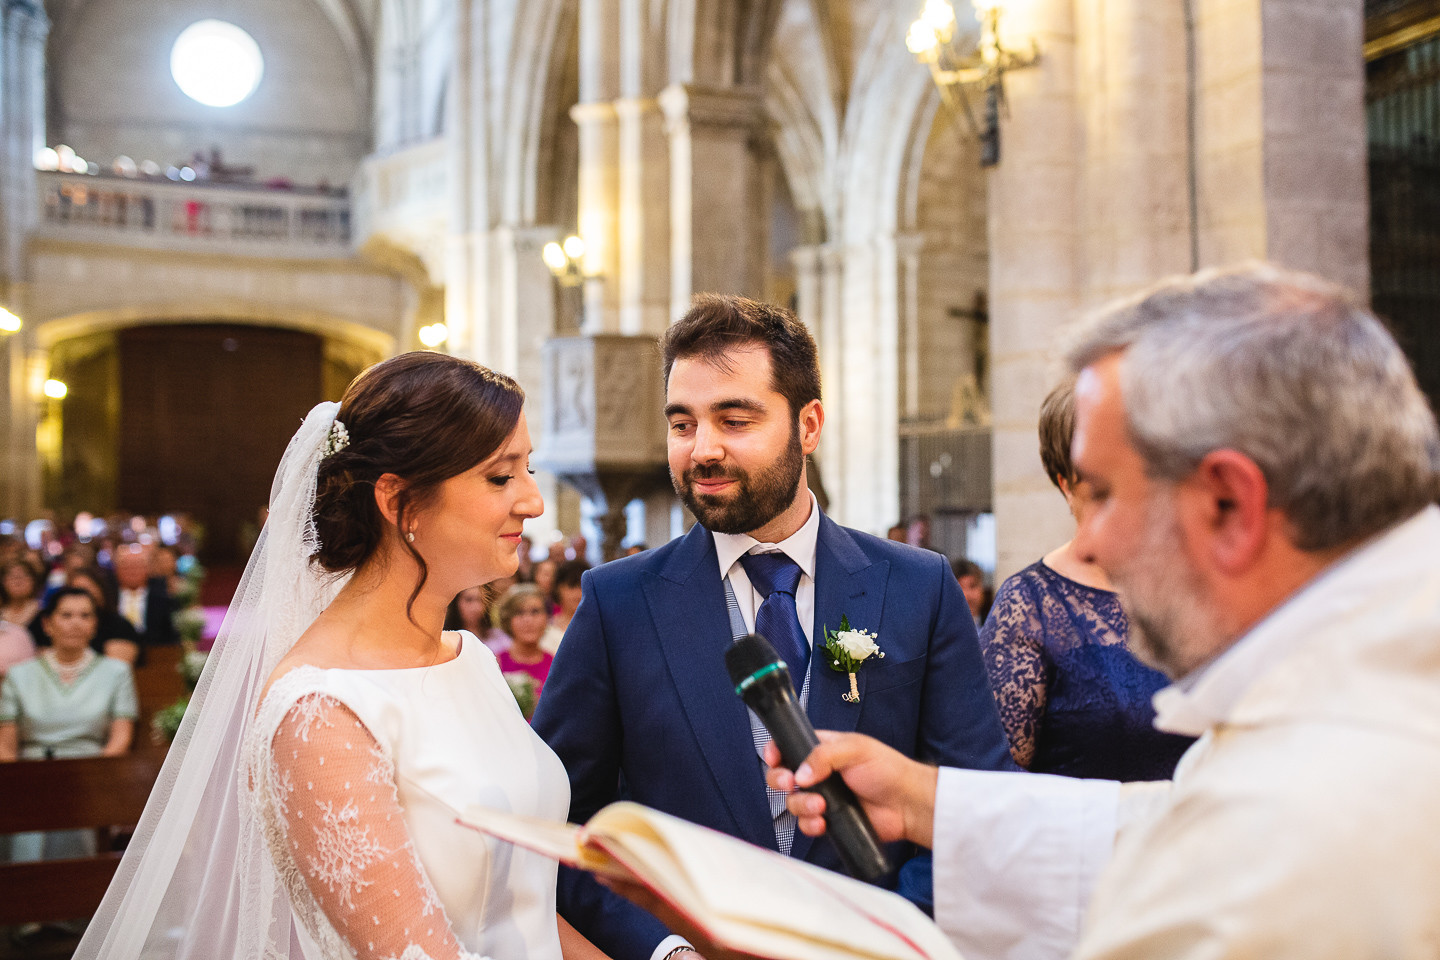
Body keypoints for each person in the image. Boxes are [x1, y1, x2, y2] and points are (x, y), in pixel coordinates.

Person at [749, 264, 1440, 960]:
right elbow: (1171, 825)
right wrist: (925, 802)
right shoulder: (1367, 666)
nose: (1093, 539)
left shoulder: (1300, 821)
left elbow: (1219, 848)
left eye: (1105, 494)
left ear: (1229, 504)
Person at [73, 352, 606, 960]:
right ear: (399, 499)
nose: (534, 503)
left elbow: (526, 911)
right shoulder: (321, 713)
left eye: (527, 469)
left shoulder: (471, 658)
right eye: (500, 477)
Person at [533, 294, 1013, 960]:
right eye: (682, 424)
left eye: (734, 419)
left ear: (808, 424)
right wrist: (667, 950)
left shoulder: (917, 587)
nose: (702, 449)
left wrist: (890, 932)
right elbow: (562, 824)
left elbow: (976, 793)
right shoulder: (619, 603)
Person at [981, 378, 1193, 781]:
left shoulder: (1191, 582)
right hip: (1090, 836)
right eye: (1099, 476)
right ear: (1065, 482)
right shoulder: (1030, 604)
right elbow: (997, 778)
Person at [0, 586, 138, 862]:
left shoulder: (116, 672)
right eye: (66, 615)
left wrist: (91, 779)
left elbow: (120, 739)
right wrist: (24, 784)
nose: (76, 623)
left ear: (95, 625)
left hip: (90, 775)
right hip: (30, 775)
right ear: (47, 624)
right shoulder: (19, 675)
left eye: (85, 616)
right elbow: (5, 747)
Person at [495, 583, 554, 710]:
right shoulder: (495, 664)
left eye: (535, 612)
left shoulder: (556, 665)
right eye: (519, 613)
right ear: (507, 619)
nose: (528, 620)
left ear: (547, 617)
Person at [114, 543, 179, 648]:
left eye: (138, 566)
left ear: (148, 569)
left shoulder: (163, 598)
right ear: (116, 569)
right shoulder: (108, 598)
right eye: (126, 566)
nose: (132, 571)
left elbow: (171, 635)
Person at [444, 584, 511, 655]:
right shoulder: (444, 638)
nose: (476, 607)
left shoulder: (498, 637)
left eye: (481, 600)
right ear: (456, 602)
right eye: (469, 600)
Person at [540, 559, 587, 654]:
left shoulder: (599, 626)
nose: (578, 593)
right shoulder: (546, 628)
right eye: (572, 586)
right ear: (558, 589)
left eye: (582, 586)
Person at [1, 558, 45, 631]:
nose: (18, 581)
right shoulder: (1, 611)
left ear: (34, 581)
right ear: (3, 582)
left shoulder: (44, 613)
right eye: (12, 576)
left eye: (25, 575)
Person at [949, 559, 985, 629]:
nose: (967, 595)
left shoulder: (995, 626)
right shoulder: (942, 632)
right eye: (960, 588)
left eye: (973, 586)